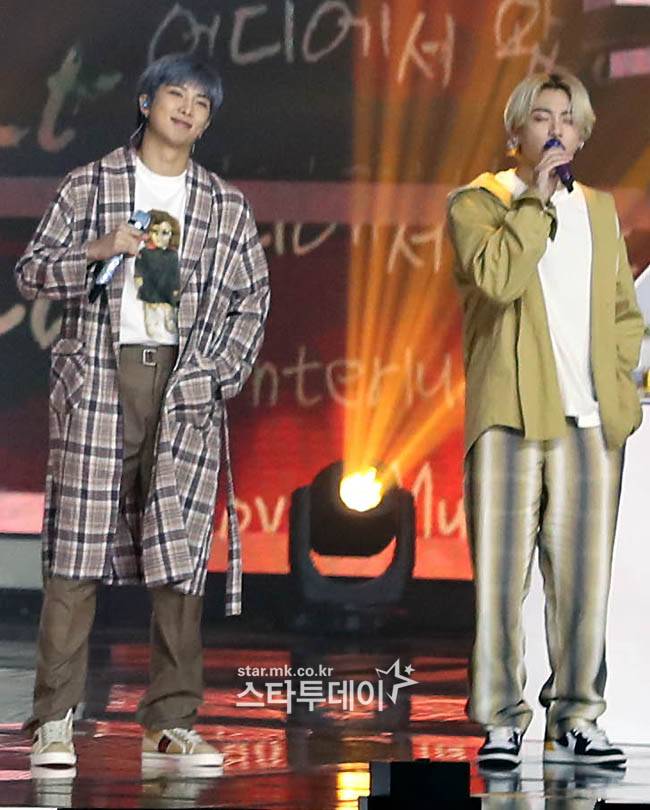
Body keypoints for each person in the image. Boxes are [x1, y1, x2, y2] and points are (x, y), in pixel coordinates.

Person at [15, 53, 270, 772]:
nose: (187, 110)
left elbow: (253, 301)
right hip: (102, 376)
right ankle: (55, 719)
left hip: (182, 384)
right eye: (176, 95)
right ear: (146, 101)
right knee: (75, 552)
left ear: (207, 122)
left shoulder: (223, 205)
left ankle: (170, 722)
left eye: (201, 104)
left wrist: (216, 375)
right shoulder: (90, 184)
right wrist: (96, 251)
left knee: (179, 557)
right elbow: (31, 271)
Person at [447, 71, 643, 770]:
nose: (556, 128)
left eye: (568, 119)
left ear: (582, 136)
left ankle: (578, 717)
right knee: (502, 585)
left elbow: (623, 312)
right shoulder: (478, 203)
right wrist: (535, 198)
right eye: (542, 117)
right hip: (509, 417)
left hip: (590, 423)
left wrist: (617, 391)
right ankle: (501, 721)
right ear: (516, 132)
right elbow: (498, 278)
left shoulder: (598, 210)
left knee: (584, 586)